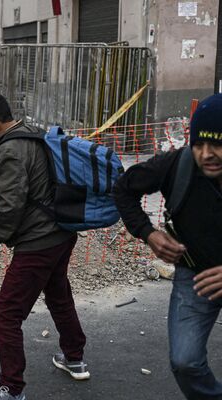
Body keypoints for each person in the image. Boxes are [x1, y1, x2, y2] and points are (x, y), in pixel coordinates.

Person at [0, 90, 89, 400]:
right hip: (61, 232)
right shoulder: (32, 134)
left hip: (39, 241)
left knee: (5, 311)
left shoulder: (10, 151)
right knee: (58, 294)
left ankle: (12, 388)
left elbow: (8, 210)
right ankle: (74, 357)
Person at [113, 94, 222, 400]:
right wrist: (148, 233)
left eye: (218, 144)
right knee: (185, 362)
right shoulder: (178, 164)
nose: (207, 154)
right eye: (199, 144)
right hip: (196, 275)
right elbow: (123, 189)